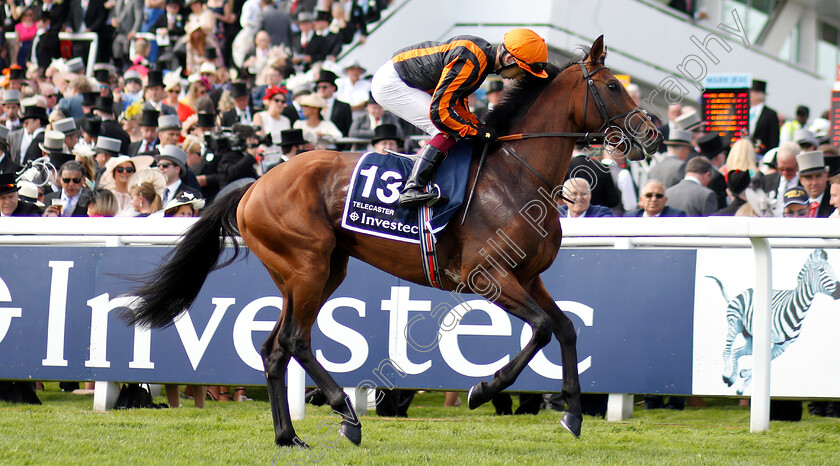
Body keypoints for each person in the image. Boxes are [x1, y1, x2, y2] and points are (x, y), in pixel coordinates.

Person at [370, 28, 549, 208]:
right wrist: (475, 131)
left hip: (404, 79)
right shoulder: (473, 60)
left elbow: (457, 102)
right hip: (392, 82)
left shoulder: (481, 60)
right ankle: (411, 188)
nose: (520, 77)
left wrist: (478, 126)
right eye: (522, 70)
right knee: (445, 128)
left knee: (458, 128)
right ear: (509, 59)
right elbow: (440, 112)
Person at [752, 142, 800, 217]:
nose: (785, 173)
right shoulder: (767, 180)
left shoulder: (805, 183)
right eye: (781, 169)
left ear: (798, 164)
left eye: (789, 169)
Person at [796, 150, 832, 218]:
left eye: (818, 176)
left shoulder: (835, 201)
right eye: (808, 177)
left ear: (826, 176)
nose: (814, 183)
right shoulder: (795, 201)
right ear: (801, 180)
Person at [748, 79, 779, 155]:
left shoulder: (770, 114)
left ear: (759, 95)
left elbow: (773, 139)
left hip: (761, 154)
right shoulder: (746, 110)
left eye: (752, 92)